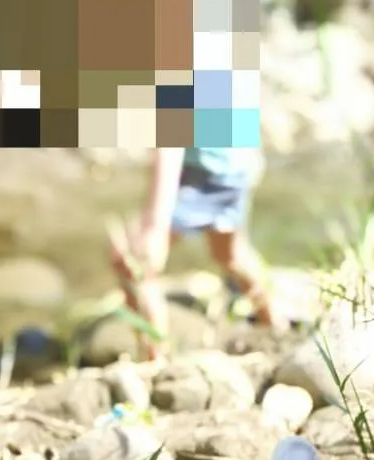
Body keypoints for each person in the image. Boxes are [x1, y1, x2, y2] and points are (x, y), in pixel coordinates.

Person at [107, 145, 282, 361]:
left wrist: (155, 226)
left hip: (201, 173)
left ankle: (155, 363)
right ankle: (276, 328)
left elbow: (169, 146)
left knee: (135, 265)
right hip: (235, 162)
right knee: (231, 255)